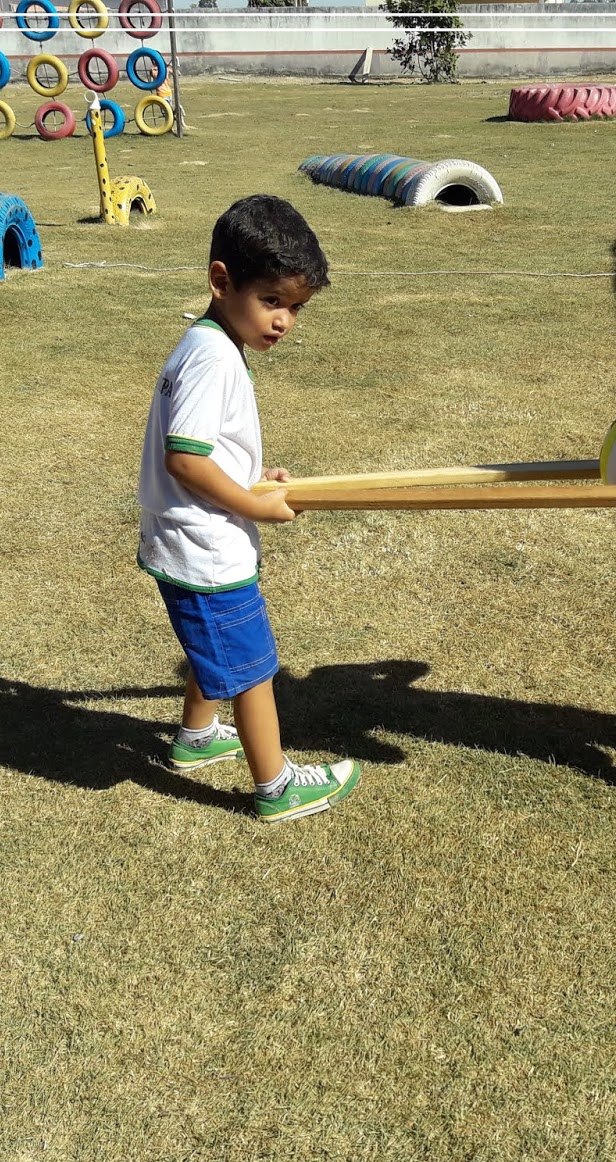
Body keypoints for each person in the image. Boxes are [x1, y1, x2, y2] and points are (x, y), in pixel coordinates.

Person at [137, 194, 359, 823]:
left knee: (215, 647)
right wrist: (255, 508)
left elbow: (204, 450)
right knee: (253, 665)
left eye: (296, 307)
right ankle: (277, 785)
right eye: (273, 301)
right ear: (221, 280)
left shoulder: (210, 340)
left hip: (194, 536)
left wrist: (250, 479)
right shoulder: (212, 357)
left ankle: (197, 736)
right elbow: (185, 461)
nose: (285, 320)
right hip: (205, 546)